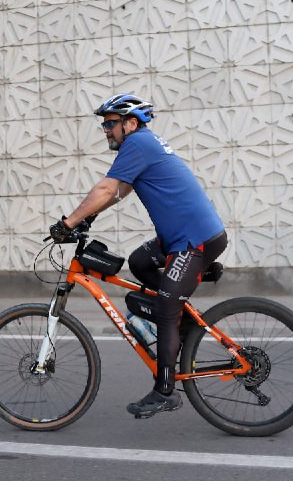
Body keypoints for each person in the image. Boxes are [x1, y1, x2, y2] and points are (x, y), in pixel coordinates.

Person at [49, 94, 227, 417]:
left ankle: (165, 391)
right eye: (104, 124)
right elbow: (119, 191)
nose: (106, 130)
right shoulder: (143, 144)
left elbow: (106, 189)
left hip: (193, 241)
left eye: (110, 123)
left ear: (131, 123)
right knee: (139, 262)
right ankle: (183, 317)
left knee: (165, 310)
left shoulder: (137, 144)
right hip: (181, 238)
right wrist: (88, 218)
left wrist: (68, 223)